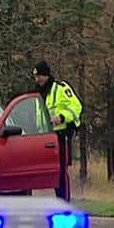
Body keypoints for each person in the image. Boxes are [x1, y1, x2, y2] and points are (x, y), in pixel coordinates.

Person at [32, 60, 83, 202]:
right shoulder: (38, 94)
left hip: (61, 136)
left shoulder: (61, 89)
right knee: (51, 172)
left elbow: (76, 107)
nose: (37, 80)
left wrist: (62, 117)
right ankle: (56, 200)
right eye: (35, 77)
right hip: (45, 137)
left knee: (61, 172)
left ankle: (64, 201)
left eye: (39, 76)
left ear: (46, 75)